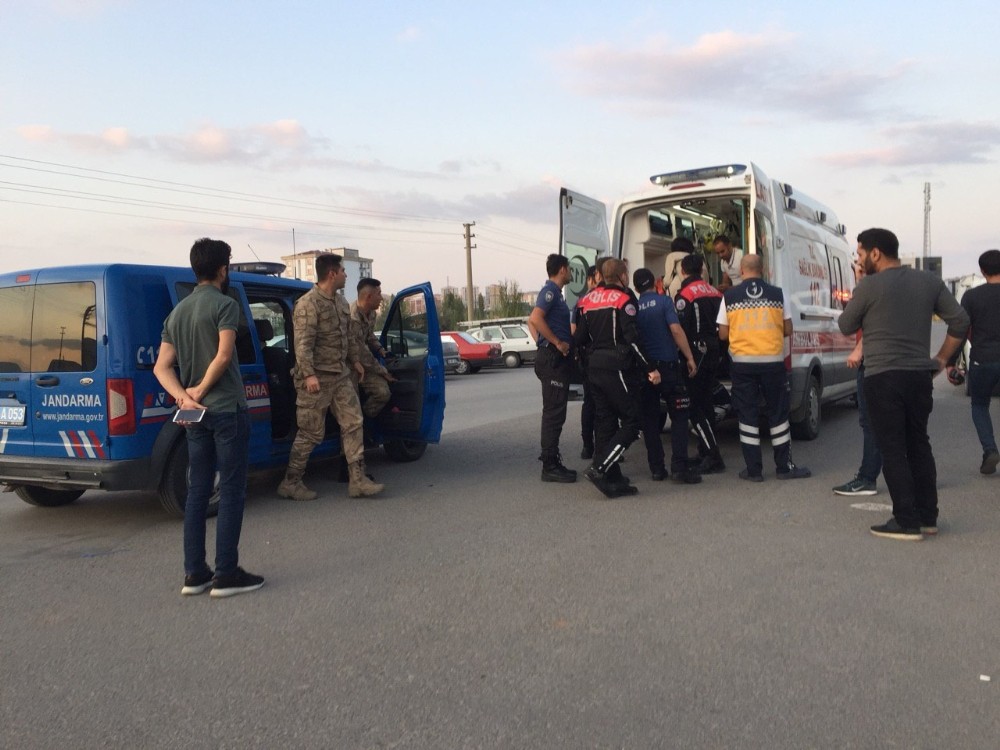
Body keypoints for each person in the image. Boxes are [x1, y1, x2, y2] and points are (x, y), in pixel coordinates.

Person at [839, 228, 969, 541]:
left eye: (860, 254)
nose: (858, 260)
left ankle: (905, 521)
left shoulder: (869, 285)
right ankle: (927, 517)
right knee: (918, 444)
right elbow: (961, 321)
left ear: (875, 253)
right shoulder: (929, 281)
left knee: (893, 448)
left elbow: (846, 324)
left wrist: (860, 284)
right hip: (918, 377)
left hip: (882, 377)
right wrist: (941, 359)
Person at [154, 237, 264, 598]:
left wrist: (184, 396)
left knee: (198, 490)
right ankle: (226, 574)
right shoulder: (225, 304)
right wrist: (200, 390)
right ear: (222, 269)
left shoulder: (177, 313)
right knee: (231, 489)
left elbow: (161, 367)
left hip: (194, 414)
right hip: (226, 408)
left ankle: (195, 573)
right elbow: (224, 354)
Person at [278, 253, 384, 501]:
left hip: (340, 376)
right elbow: (302, 344)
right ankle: (291, 482)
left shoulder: (340, 302)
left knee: (354, 422)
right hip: (316, 379)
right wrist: (309, 375)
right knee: (310, 432)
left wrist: (355, 361)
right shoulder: (308, 304)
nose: (346, 275)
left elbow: (349, 337)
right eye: (343, 271)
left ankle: (357, 480)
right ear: (332, 274)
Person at [717, 254, 811, 482]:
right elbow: (788, 329)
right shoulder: (778, 294)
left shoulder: (729, 296)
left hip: (742, 365)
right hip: (772, 364)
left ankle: (754, 471)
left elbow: (723, 334)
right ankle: (784, 468)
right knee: (778, 415)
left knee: (747, 416)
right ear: (763, 269)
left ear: (741, 270)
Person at [574, 259, 661, 498]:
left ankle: (612, 478)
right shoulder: (623, 299)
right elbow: (633, 338)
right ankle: (600, 468)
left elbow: (579, 338)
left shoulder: (587, 300)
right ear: (622, 275)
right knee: (633, 422)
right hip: (617, 367)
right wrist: (650, 368)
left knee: (606, 422)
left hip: (594, 368)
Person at [633, 268, 702, 484]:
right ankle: (679, 468)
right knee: (680, 416)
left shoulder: (634, 307)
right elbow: (676, 330)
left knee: (650, 420)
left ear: (636, 288)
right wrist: (689, 357)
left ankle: (657, 469)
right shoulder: (664, 302)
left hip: (646, 370)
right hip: (669, 368)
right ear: (655, 283)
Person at [832, 258, 883, 496]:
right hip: (895, 364)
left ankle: (867, 478)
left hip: (873, 363)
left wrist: (860, 350)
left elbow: (851, 324)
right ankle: (916, 477)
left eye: (860, 269)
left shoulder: (870, 291)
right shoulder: (891, 289)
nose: (857, 274)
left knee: (871, 423)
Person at [949, 249, 1000, 474]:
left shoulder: (971, 296)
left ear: (982, 270)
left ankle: (990, 450)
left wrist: (951, 362)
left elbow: (960, 330)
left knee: (979, 405)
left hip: (982, 360)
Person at [674, 253, 726, 473]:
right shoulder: (715, 292)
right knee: (706, 403)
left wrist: (686, 357)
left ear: (683, 271)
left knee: (694, 406)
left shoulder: (684, 295)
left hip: (695, 353)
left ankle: (713, 455)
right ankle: (705, 451)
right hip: (714, 351)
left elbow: (680, 329)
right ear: (702, 270)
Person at [529, 254, 576, 483]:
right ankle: (549, 465)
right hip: (552, 359)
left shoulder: (556, 294)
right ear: (562, 269)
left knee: (557, 411)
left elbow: (531, 322)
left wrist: (542, 343)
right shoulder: (549, 292)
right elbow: (535, 318)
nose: (571, 273)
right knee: (553, 413)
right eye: (569, 269)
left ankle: (552, 462)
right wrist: (554, 343)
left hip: (553, 358)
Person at [350, 277, 395, 419]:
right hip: (350, 364)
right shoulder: (352, 318)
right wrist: (382, 371)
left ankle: (365, 421)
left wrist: (380, 349)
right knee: (351, 403)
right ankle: (358, 423)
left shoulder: (372, 313)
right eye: (379, 294)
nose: (381, 298)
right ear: (369, 297)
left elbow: (369, 336)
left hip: (365, 364)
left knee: (382, 393)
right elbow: (361, 352)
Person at [572, 264, 599, 459]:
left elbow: (574, 330)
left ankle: (588, 446)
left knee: (590, 402)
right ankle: (603, 446)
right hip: (600, 357)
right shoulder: (610, 297)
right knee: (603, 403)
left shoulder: (580, 303)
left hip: (587, 357)